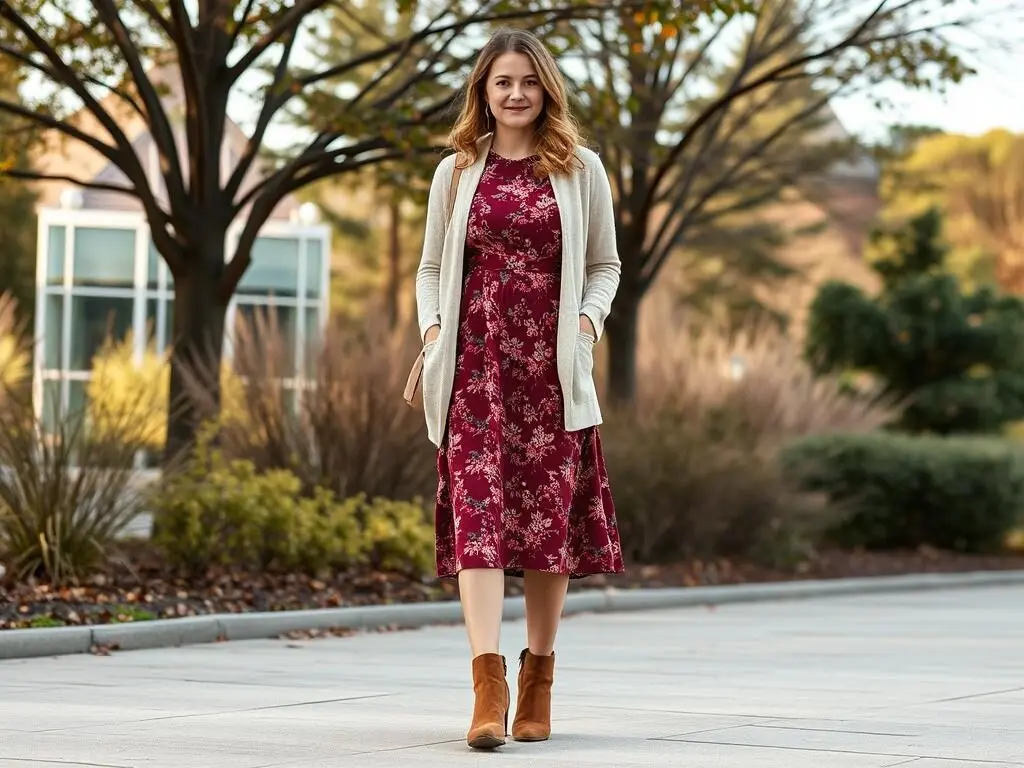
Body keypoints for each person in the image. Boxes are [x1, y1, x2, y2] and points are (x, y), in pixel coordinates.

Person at [414, 27, 624, 750]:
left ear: (546, 90)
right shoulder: (456, 171)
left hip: (551, 373)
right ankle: (487, 689)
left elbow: (604, 265)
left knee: (543, 527)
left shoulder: (580, 168)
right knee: (478, 518)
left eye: (528, 82)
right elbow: (430, 268)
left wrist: (587, 327)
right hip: (475, 370)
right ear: (483, 90)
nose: (515, 94)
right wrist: (434, 331)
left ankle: (538, 682)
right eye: (502, 82)